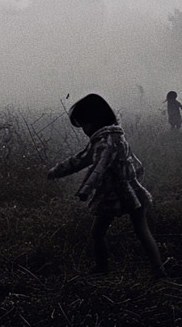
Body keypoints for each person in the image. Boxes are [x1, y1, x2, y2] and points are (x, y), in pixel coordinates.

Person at [46, 94, 166, 278]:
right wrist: (56, 171)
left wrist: (84, 190)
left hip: (114, 196)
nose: (84, 129)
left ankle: (103, 269)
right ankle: (158, 270)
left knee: (98, 232)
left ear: (95, 119)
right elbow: (81, 159)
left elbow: (98, 167)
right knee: (141, 230)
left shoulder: (106, 142)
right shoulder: (113, 137)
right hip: (132, 192)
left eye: (84, 124)